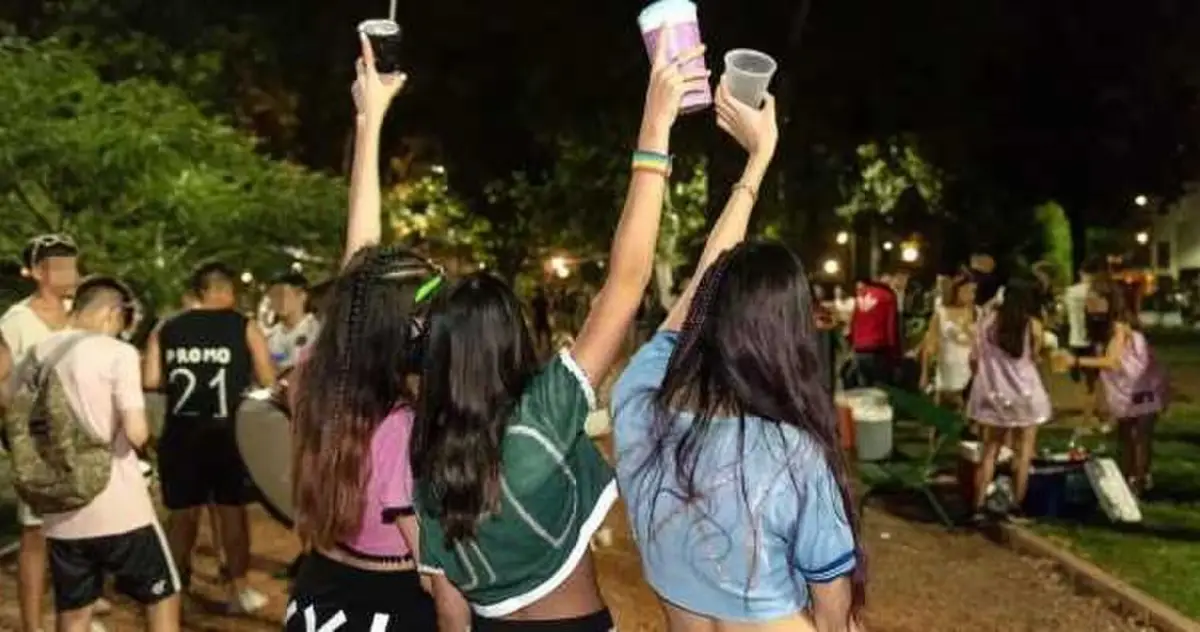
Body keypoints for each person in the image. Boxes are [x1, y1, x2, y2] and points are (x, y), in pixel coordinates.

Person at [408, 33, 710, 632]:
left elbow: (450, 612)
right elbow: (625, 286)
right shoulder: (539, 416)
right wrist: (655, 130)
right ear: (513, 341)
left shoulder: (428, 461)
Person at [612, 90, 865, 632]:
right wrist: (760, 157)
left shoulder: (637, 407)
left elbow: (700, 288)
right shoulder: (792, 454)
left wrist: (755, 167)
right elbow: (832, 603)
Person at [284, 40, 444, 632]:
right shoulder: (398, 428)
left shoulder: (316, 378)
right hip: (391, 604)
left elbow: (360, 274)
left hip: (318, 591)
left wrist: (370, 119)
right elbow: (434, 569)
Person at [12, 276, 181, 632]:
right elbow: (136, 432)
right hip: (119, 507)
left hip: (61, 512)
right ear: (110, 313)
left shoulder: (36, 355)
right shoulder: (116, 353)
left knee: (74, 611)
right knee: (162, 596)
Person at [142, 262, 275, 613]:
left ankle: (174, 593)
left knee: (182, 516)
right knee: (231, 512)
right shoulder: (245, 326)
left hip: (181, 435)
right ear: (225, 291)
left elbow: (151, 379)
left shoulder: (166, 327)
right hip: (228, 434)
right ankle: (238, 589)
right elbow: (267, 379)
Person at [0, 234, 110, 632]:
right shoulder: (15, 322)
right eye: (63, 266)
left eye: (74, 265)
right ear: (41, 273)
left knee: (85, 527)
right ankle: (32, 624)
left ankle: (78, 610)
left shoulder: (78, 313)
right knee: (35, 535)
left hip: (84, 438)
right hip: (41, 442)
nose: (73, 274)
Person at [1053, 286, 1167, 495]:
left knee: (1139, 437)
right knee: (1125, 436)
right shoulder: (1102, 328)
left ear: (1110, 302)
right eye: (1088, 301)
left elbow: (1112, 362)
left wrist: (1075, 361)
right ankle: (1129, 479)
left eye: (1095, 300)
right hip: (1126, 389)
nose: (1088, 305)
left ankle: (1138, 480)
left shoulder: (1119, 327)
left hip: (1140, 387)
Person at [965, 280, 1051, 523]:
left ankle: (979, 505)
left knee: (990, 451)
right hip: (1025, 394)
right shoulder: (1031, 325)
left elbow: (974, 358)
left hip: (994, 393)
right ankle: (1016, 505)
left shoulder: (986, 323)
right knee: (1023, 451)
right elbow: (1035, 356)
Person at [919, 274, 978, 407]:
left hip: (971, 373)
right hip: (947, 371)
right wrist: (925, 374)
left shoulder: (977, 313)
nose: (971, 295)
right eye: (967, 290)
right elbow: (930, 345)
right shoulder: (941, 313)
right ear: (956, 291)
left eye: (973, 291)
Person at [1064, 257, 1103, 419]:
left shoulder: (1070, 292)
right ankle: (1090, 411)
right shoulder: (1098, 292)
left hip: (1074, 338)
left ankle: (1083, 409)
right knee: (1092, 379)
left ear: (1081, 273)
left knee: (1076, 378)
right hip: (1093, 340)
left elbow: (1064, 315)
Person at [847, 274, 900, 387]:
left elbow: (853, 324)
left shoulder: (861, 295)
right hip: (878, 349)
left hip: (860, 349)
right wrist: (895, 355)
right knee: (880, 389)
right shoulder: (888, 297)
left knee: (863, 388)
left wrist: (853, 344)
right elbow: (891, 327)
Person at [264, 272, 320, 377]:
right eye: (274, 295)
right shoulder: (269, 337)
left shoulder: (317, 331)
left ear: (303, 296)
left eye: (284, 294)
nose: (279, 300)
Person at [532, 287, 553, 355]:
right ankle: (548, 346)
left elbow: (532, 309)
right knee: (546, 332)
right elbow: (548, 308)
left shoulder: (536, 299)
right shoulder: (543, 299)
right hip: (542, 317)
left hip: (539, 317)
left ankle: (540, 345)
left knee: (539, 332)